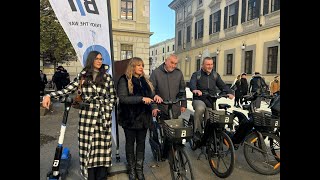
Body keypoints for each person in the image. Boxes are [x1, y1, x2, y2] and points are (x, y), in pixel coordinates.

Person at [42, 51, 116, 180]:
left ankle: (102, 176)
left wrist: (107, 108)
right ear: (91, 60)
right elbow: (67, 89)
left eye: (101, 59)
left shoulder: (107, 77)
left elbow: (113, 97)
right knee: (88, 148)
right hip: (87, 118)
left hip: (103, 118)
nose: (99, 61)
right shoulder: (83, 76)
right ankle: (90, 176)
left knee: (102, 151)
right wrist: (49, 95)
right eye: (97, 59)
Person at [117, 57, 155, 180]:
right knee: (130, 144)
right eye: (138, 65)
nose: (141, 68)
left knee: (141, 144)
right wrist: (141, 99)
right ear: (132, 66)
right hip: (130, 119)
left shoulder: (145, 80)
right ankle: (132, 170)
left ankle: (139, 169)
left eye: (142, 65)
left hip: (144, 119)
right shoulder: (124, 79)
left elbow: (151, 96)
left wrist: (155, 101)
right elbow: (123, 98)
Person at [149, 54, 187, 158]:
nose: (174, 65)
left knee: (175, 132)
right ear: (166, 61)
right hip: (161, 108)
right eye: (172, 63)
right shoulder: (156, 73)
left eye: (175, 63)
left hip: (174, 108)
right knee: (165, 133)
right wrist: (154, 107)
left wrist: (183, 104)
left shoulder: (179, 73)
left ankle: (173, 151)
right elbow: (151, 91)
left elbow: (182, 90)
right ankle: (163, 152)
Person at [189, 57, 234, 140]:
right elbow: (192, 84)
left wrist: (229, 92)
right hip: (199, 99)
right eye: (207, 64)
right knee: (200, 108)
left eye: (211, 64)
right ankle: (197, 132)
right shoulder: (196, 75)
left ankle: (210, 135)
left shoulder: (215, 75)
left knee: (211, 118)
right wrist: (195, 90)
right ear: (202, 65)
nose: (210, 66)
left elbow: (222, 85)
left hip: (211, 100)